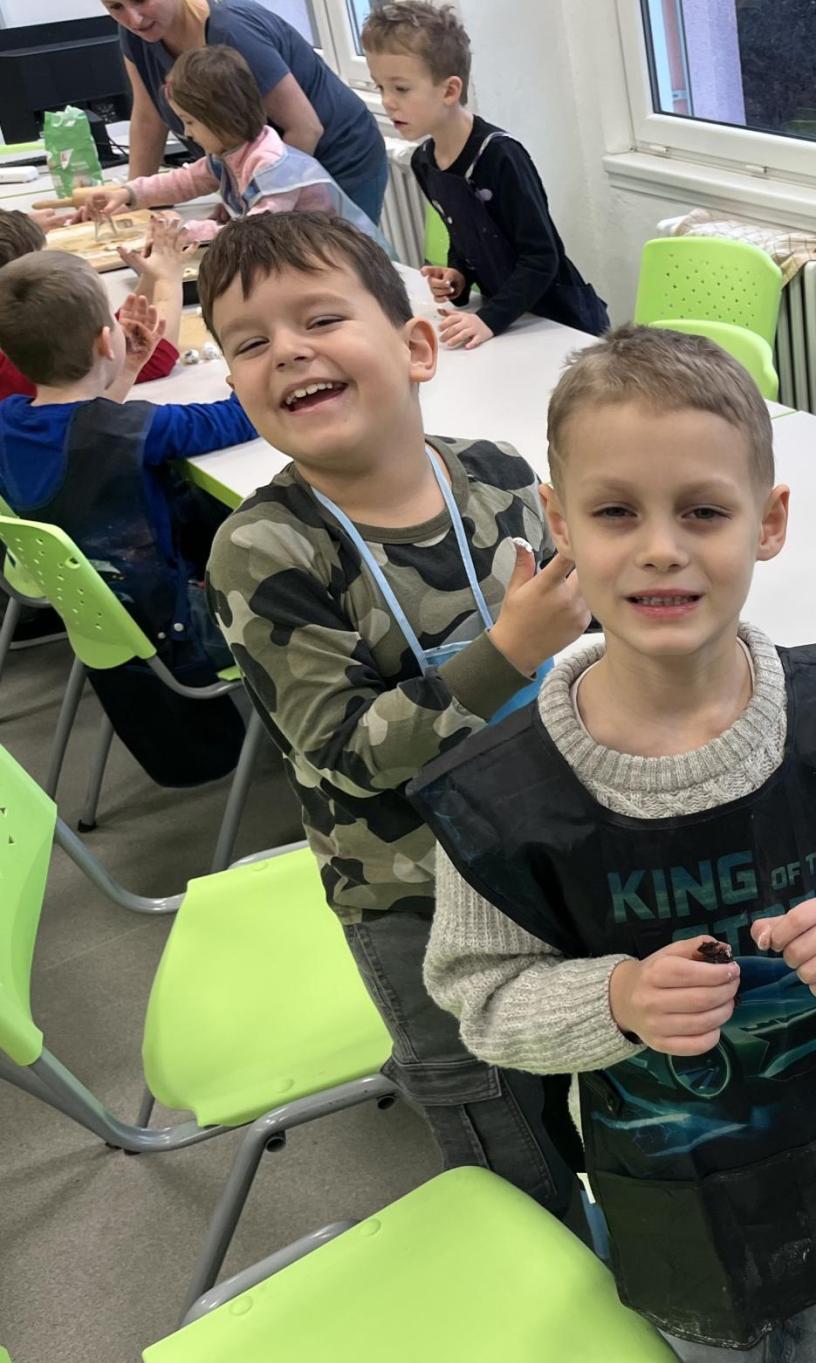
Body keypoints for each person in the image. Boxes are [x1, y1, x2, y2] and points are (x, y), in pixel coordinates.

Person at [412, 325, 816, 1363]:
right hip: (672, 1192)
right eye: (616, 513)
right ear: (560, 525)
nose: (661, 549)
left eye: (703, 512)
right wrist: (615, 998)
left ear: (769, 521)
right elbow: (479, 996)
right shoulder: (509, 791)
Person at [199, 212, 593, 1218]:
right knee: (495, 1124)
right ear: (237, 389)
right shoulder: (265, 549)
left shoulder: (499, 473)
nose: (287, 350)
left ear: (418, 346)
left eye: (320, 318)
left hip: (542, 848)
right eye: (250, 342)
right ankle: (537, 1257)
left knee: (573, 1061)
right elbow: (343, 749)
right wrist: (510, 649)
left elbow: (582, 625)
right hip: (411, 897)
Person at [0, 248, 254, 784]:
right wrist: (251, 372)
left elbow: (80, 431)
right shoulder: (136, 429)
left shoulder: (10, 421)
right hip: (184, 630)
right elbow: (236, 419)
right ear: (104, 340)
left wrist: (128, 368)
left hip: (113, 625)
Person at [360, 1, 609, 348]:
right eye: (380, 88)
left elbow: (542, 258)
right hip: (508, 321)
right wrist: (458, 275)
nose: (388, 101)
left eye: (401, 88)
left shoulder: (500, 156)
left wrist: (489, 320)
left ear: (450, 91)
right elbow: (465, 235)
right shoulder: (424, 162)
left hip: (560, 321)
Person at [107, 0, 387, 224]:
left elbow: (305, 128)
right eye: (115, 6)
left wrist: (249, 198)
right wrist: (132, 201)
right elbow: (148, 118)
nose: (134, 19)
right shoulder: (137, 34)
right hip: (262, 171)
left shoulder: (234, 31)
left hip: (336, 153)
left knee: (339, 258)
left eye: (141, 0)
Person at [86, 45, 386, 250]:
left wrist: (186, 231)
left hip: (354, 258)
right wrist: (128, 193)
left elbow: (256, 233)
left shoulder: (272, 167)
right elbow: (185, 181)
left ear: (221, 117)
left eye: (190, 121)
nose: (187, 133)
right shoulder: (232, 151)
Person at [0, 210, 189, 401]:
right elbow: (152, 359)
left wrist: (150, 276)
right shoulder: (18, 355)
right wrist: (168, 278)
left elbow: (106, 332)